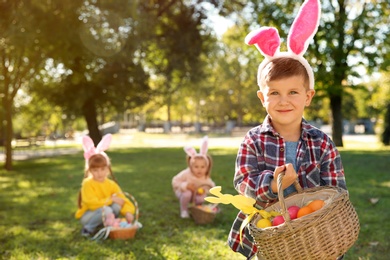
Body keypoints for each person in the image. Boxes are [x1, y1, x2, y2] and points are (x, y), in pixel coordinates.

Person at [227, 0, 347, 259]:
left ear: (308, 96)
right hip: (271, 232)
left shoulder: (322, 143)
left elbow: (337, 191)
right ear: (262, 98)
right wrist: (272, 184)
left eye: (293, 92)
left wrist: (320, 215)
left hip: (315, 233)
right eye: (275, 93)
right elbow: (242, 182)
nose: (284, 100)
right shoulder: (254, 140)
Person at [75, 134, 135, 236]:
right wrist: (111, 199)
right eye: (95, 170)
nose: (100, 173)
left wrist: (128, 212)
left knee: (116, 206)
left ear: (108, 169)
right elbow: (91, 203)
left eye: (103, 169)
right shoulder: (87, 184)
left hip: (105, 213)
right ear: (89, 170)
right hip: (88, 215)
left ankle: (106, 224)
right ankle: (88, 228)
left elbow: (123, 199)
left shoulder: (111, 184)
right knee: (107, 209)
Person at [172, 136, 216, 218]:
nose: (199, 170)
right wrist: (185, 185)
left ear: (207, 167)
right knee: (187, 193)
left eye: (202, 167)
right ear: (191, 166)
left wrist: (204, 190)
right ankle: (184, 210)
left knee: (201, 197)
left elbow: (212, 187)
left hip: (196, 194)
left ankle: (196, 209)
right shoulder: (186, 173)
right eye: (196, 167)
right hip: (182, 192)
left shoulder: (205, 178)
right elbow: (175, 181)